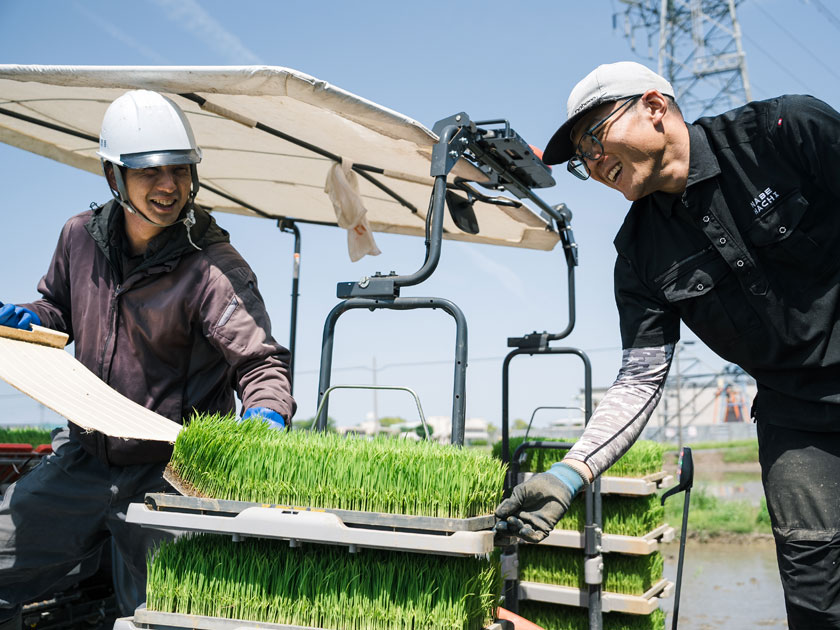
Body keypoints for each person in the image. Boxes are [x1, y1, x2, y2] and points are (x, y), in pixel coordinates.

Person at [495, 61, 840, 629]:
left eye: (593, 138)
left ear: (654, 107)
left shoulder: (783, 132)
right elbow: (640, 379)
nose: (592, 163)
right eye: (582, 159)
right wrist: (570, 473)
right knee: (816, 594)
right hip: (797, 419)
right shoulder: (638, 253)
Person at [0, 90, 295, 627]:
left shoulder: (214, 267)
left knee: (165, 615)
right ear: (113, 175)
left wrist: (267, 412)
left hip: (170, 476)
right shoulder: (78, 238)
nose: (169, 186)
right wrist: (31, 318)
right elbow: (57, 308)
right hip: (85, 459)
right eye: (150, 172)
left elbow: (260, 364)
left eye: (180, 171)